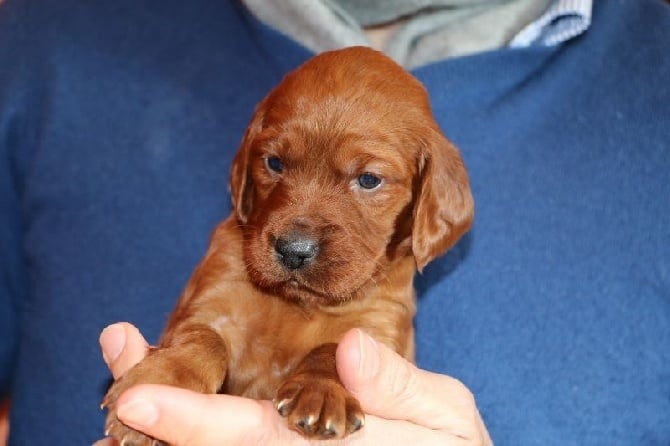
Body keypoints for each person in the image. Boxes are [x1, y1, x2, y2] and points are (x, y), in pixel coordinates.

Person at [0, 0, 668, 445]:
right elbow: (207, 330)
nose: (293, 232)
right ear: (245, 167)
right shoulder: (39, 33)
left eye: (368, 179)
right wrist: (186, 364)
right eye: (274, 164)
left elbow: (369, 353)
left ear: (428, 206)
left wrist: (326, 374)